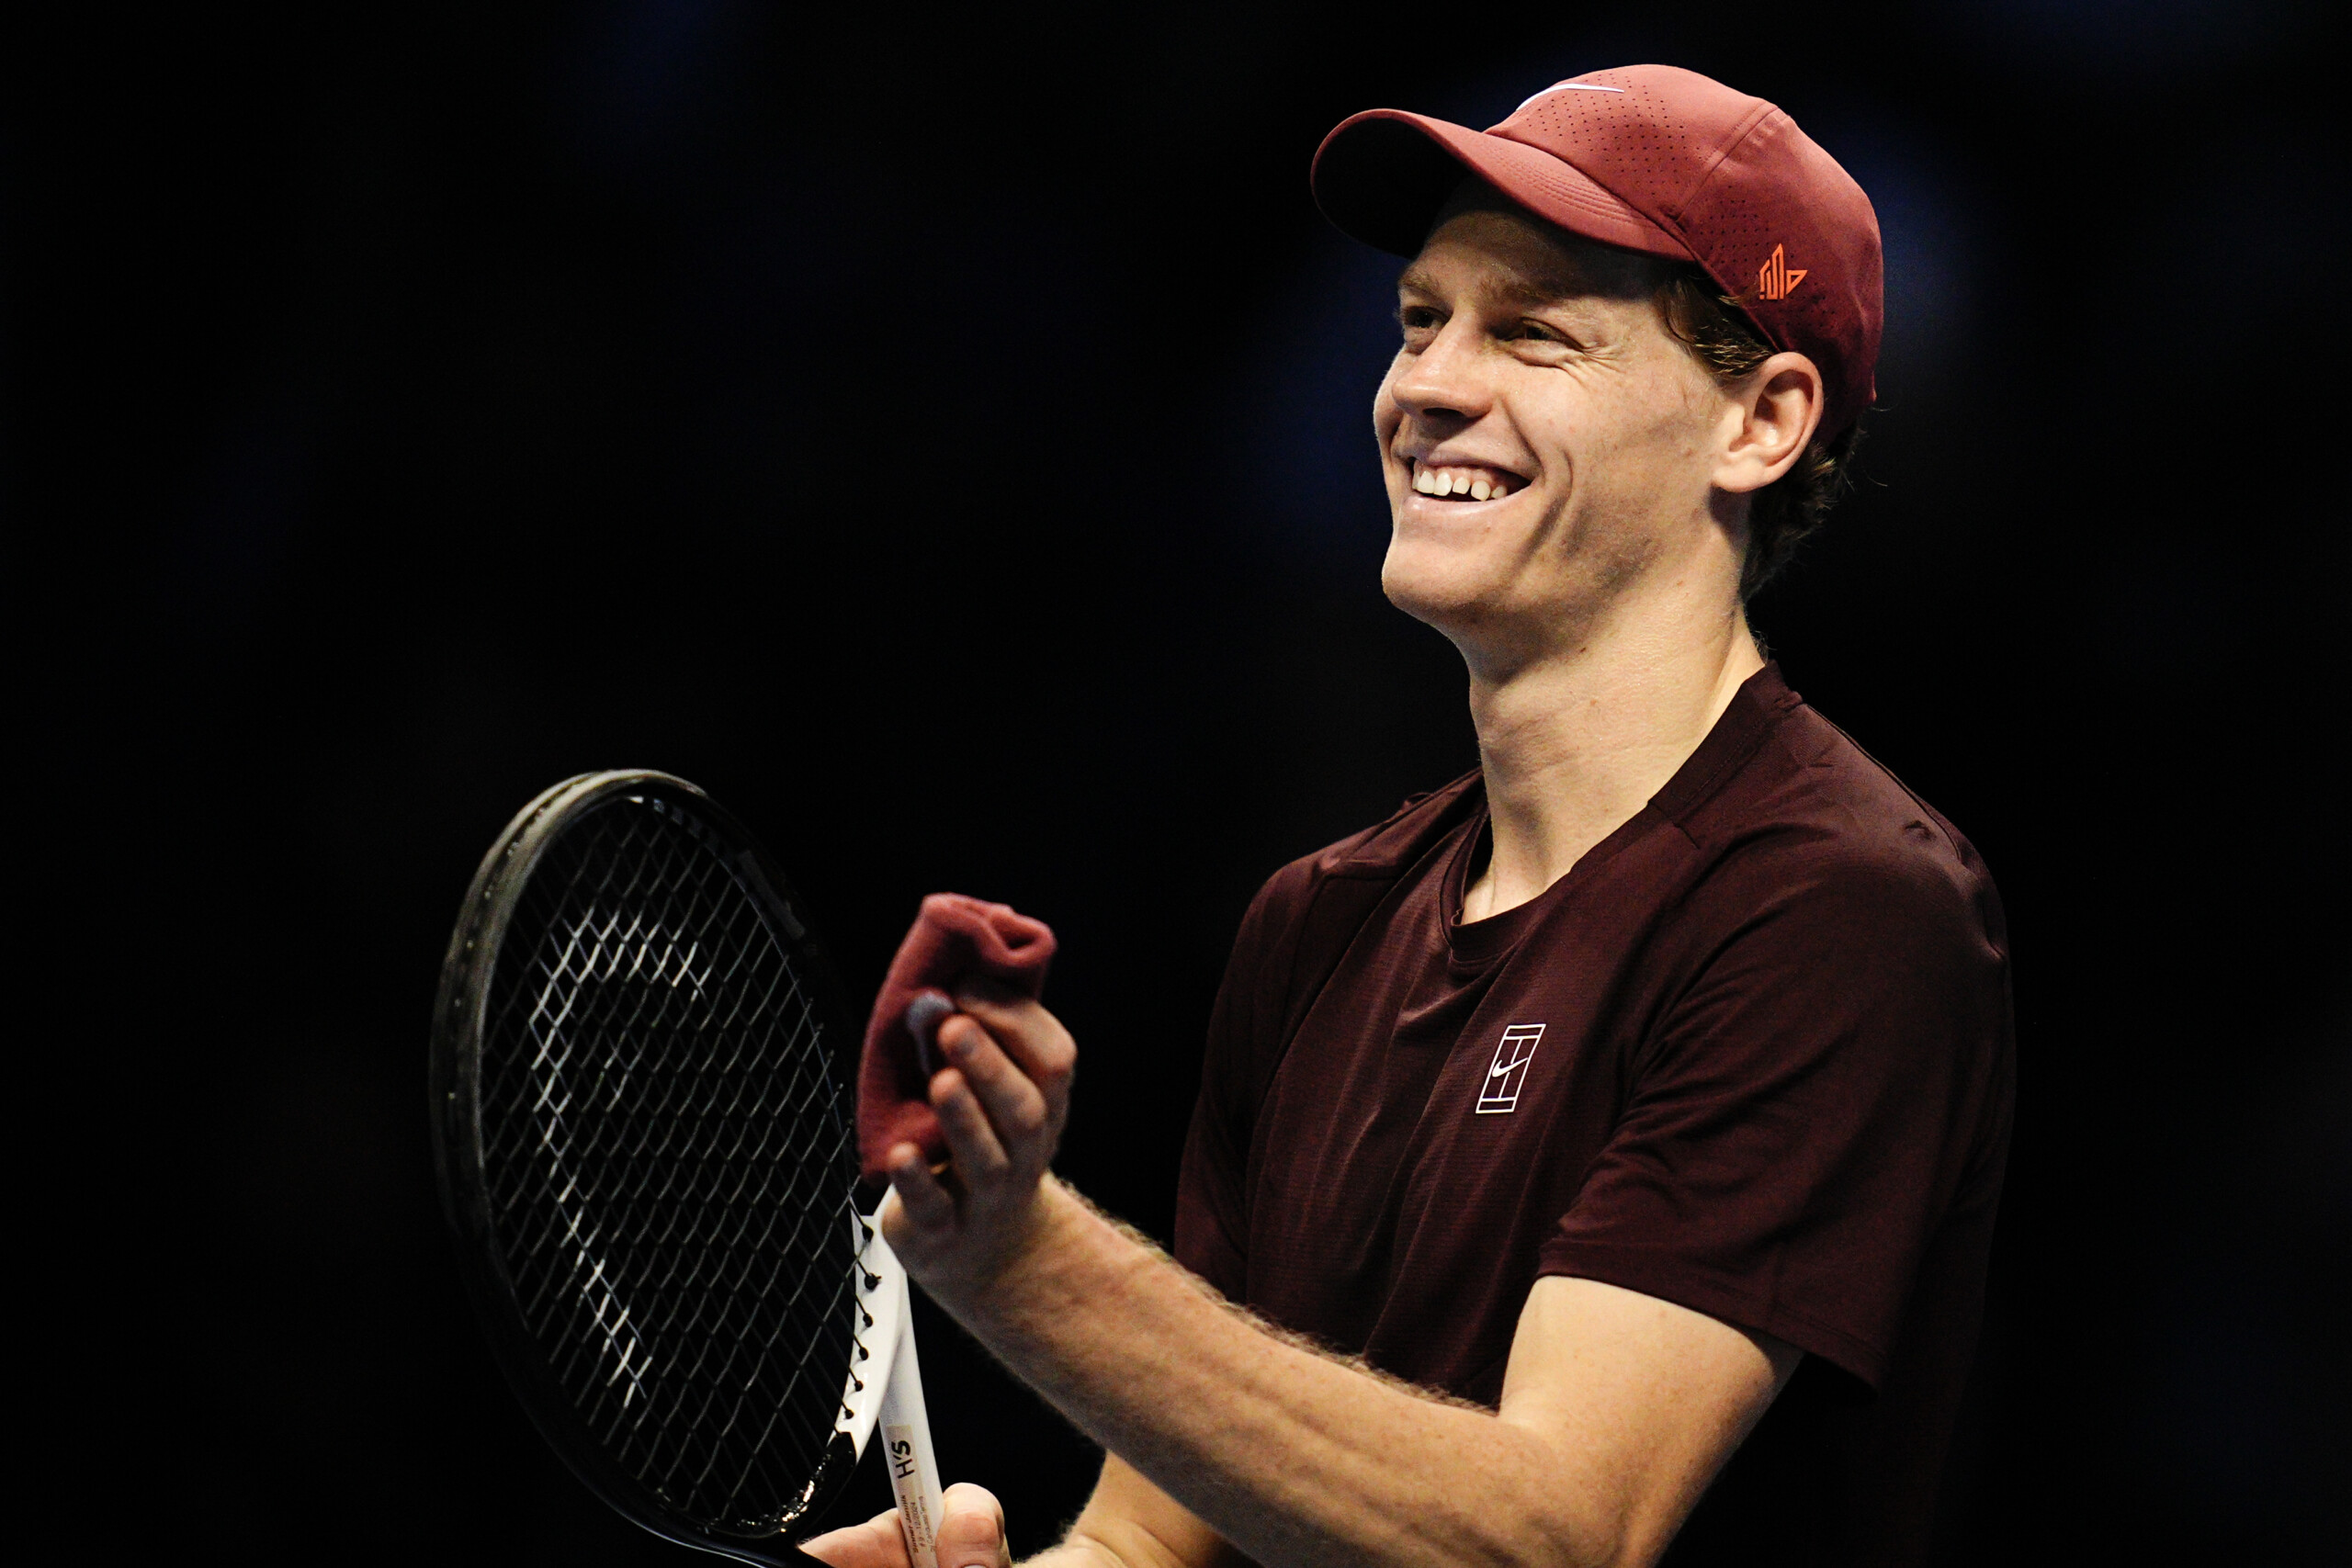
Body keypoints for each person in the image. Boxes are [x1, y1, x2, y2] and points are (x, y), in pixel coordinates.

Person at [808, 63, 2012, 1568]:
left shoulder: (1838, 907)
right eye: (1420, 319)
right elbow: (1155, 1544)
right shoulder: (1316, 922)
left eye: (1532, 334)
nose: (1426, 386)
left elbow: (1556, 1533)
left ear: (1760, 422)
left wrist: (1025, 1258)